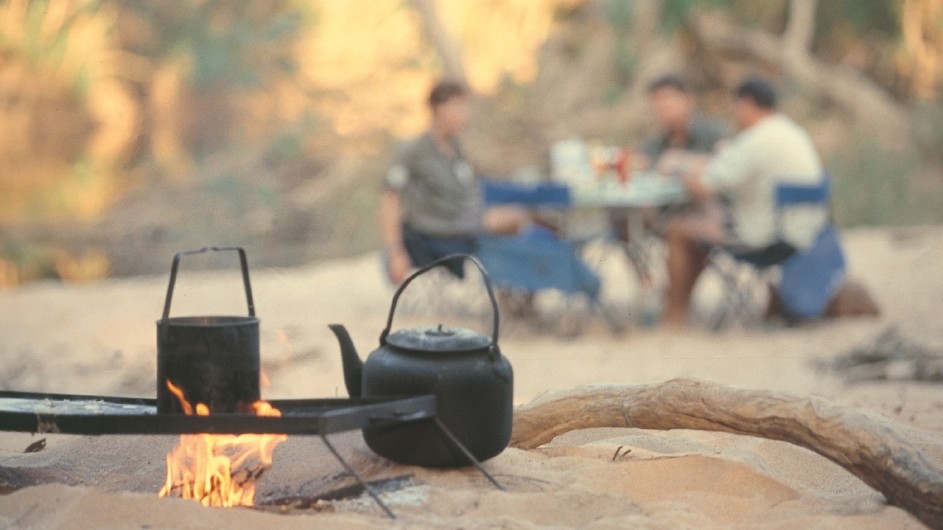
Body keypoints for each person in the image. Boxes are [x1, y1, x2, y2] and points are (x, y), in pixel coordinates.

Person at [661, 76, 830, 327]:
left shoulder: (756, 140)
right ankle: (682, 307)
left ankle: (675, 313)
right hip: (805, 234)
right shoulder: (790, 132)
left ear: (746, 104)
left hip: (766, 240)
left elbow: (702, 186)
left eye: (735, 105)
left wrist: (676, 166)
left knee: (680, 229)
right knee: (706, 223)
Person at [379, 80, 523, 283]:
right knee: (511, 219)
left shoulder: (457, 149)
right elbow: (389, 199)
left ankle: (515, 292)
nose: (465, 113)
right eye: (458, 106)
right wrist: (395, 251)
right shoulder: (413, 151)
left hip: (465, 225)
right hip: (436, 234)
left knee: (523, 221)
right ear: (438, 108)